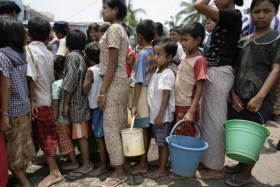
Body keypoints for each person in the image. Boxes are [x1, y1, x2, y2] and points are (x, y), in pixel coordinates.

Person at [226, 0, 280, 186]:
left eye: (267, 11)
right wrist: (232, 93)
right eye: (257, 11)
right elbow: (236, 68)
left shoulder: (276, 38)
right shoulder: (243, 41)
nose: (261, 15)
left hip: (260, 96)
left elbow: (276, 69)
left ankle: (247, 173)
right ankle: (241, 164)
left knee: (254, 135)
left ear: (275, 12)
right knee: (242, 134)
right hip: (239, 95)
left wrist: (260, 97)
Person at [194, 0, 243, 179]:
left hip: (220, 71)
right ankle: (209, 161)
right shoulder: (225, 17)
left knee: (215, 120)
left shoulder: (233, 15)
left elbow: (198, 5)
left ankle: (216, 169)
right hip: (215, 70)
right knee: (208, 120)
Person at [26, 17, 62, 187]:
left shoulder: (29, 51)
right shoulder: (49, 52)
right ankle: (49, 162)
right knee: (46, 133)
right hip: (49, 97)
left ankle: (54, 172)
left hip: (39, 100)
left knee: (46, 135)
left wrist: (31, 100)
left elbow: (31, 77)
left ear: (29, 34)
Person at [0, 17, 36, 187]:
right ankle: (22, 177)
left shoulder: (2, 55)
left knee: (11, 149)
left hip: (11, 109)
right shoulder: (21, 54)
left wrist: (4, 114)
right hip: (24, 106)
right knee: (23, 145)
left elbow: (5, 87)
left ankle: (23, 181)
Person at [170, 22, 207, 180]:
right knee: (180, 137)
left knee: (187, 139)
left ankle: (186, 170)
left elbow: (200, 86)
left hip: (188, 107)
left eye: (186, 40)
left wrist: (192, 110)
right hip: (179, 104)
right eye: (181, 40)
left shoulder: (199, 60)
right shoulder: (186, 57)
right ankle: (182, 167)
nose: (182, 43)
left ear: (198, 40)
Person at [98, 0, 129, 186]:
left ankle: (118, 170)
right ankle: (121, 164)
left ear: (115, 10)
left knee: (110, 127)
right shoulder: (120, 29)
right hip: (118, 81)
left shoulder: (114, 29)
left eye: (105, 8)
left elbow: (113, 62)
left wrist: (102, 92)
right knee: (118, 124)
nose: (102, 11)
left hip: (114, 82)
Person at [61, 29, 93, 179]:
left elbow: (71, 81)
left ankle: (87, 163)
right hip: (82, 102)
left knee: (81, 135)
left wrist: (65, 103)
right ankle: (84, 160)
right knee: (81, 134)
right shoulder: (80, 56)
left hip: (77, 102)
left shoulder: (72, 56)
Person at [128, 19, 157, 175]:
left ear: (139, 36)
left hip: (141, 93)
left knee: (142, 130)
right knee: (146, 129)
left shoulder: (141, 54)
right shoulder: (154, 52)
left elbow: (138, 81)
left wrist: (133, 104)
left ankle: (143, 163)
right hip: (149, 92)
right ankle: (142, 160)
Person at [146, 38, 177, 179]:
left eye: (159, 55)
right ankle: (160, 161)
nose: (155, 57)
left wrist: (160, 115)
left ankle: (163, 168)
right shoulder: (158, 71)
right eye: (155, 54)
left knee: (163, 143)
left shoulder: (167, 74)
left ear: (169, 58)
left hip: (162, 117)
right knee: (159, 141)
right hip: (157, 115)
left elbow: (166, 94)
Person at [83, 42, 108, 177]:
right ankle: (106, 162)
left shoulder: (91, 71)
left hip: (95, 106)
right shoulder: (103, 68)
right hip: (104, 105)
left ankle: (103, 166)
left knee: (99, 137)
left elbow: (85, 90)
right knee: (104, 135)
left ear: (87, 56)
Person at [51, 56, 79, 170]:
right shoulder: (71, 82)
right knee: (70, 139)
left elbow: (55, 103)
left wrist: (54, 119)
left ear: (55, 71)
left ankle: (74, 162)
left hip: (61, 119)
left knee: (65, 141)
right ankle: (72, 159)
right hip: (72, 116)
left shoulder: (56, 84)